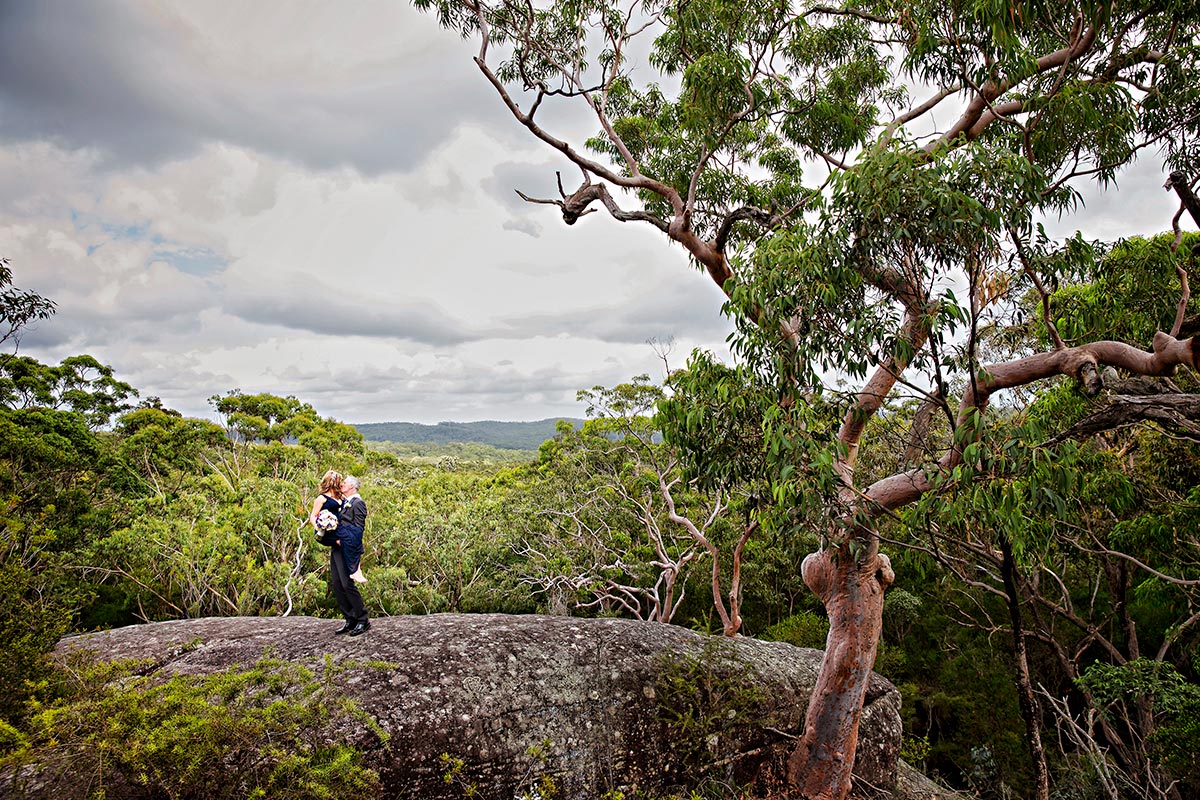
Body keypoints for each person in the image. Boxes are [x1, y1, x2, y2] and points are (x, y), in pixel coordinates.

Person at [330, 474, 369, 636]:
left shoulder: (358, 503)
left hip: (349, 548)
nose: (341, 485)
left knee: (347, 584)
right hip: (337, 547)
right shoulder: (342, 502)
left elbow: (358, 528)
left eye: (344, 483)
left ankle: (362, 620)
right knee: (337, 583)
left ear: (352, 487)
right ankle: (349, 619)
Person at [309, 469, 343, 544]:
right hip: (327, 532)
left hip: (340, 529)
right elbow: (313, 516)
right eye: (340, 481)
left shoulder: (341, 497)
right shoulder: (322, 498)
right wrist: (319, 527)